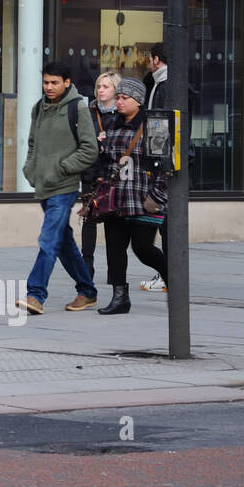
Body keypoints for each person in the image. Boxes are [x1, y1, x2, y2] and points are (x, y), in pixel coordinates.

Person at [18, 61, 100, 314]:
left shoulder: (78, 108)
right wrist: (30, 169)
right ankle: (87, 292)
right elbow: (32, 142)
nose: (49, 87)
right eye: (46, 82)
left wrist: (62, 168)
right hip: (43, 185)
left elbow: (90, 149)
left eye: (54, 82)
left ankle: (35, 294)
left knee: (49, 239)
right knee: (63, 242)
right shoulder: (38, 108)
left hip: (64, 187)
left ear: (67, 82)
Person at [96, 77, 169, 315]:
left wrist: (157, 196)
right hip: (116, 200)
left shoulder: (155, 125)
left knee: (143, 248)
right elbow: (108, 161)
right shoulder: (112, 124)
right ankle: (120, 298)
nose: (119, 102)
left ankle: (174, 279)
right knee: (115, 250)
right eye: (118, 97)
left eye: (124, 98)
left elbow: (165, 167)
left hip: (143, 200)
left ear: (138, 101)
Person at [80, 71, 120, 280]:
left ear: (116, 89)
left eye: (106, 86)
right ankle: (87, 266)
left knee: (114, 222)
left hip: (114, 175)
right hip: (92, 172)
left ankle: (115, 271)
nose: (101, 90)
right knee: (89, 219)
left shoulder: (122, 113)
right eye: (99, 86)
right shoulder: (89, 112)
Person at [141, 44, 169, 292]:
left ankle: (168, 274)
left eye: (149, 59)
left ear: (156, 59)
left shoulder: (165, 84)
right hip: (165, 160)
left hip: (164, 162)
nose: (147, 63)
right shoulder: (160, 82)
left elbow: (159, 123)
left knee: (164, 222)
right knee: (163, 222)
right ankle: (167, 273)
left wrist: (156, 160)